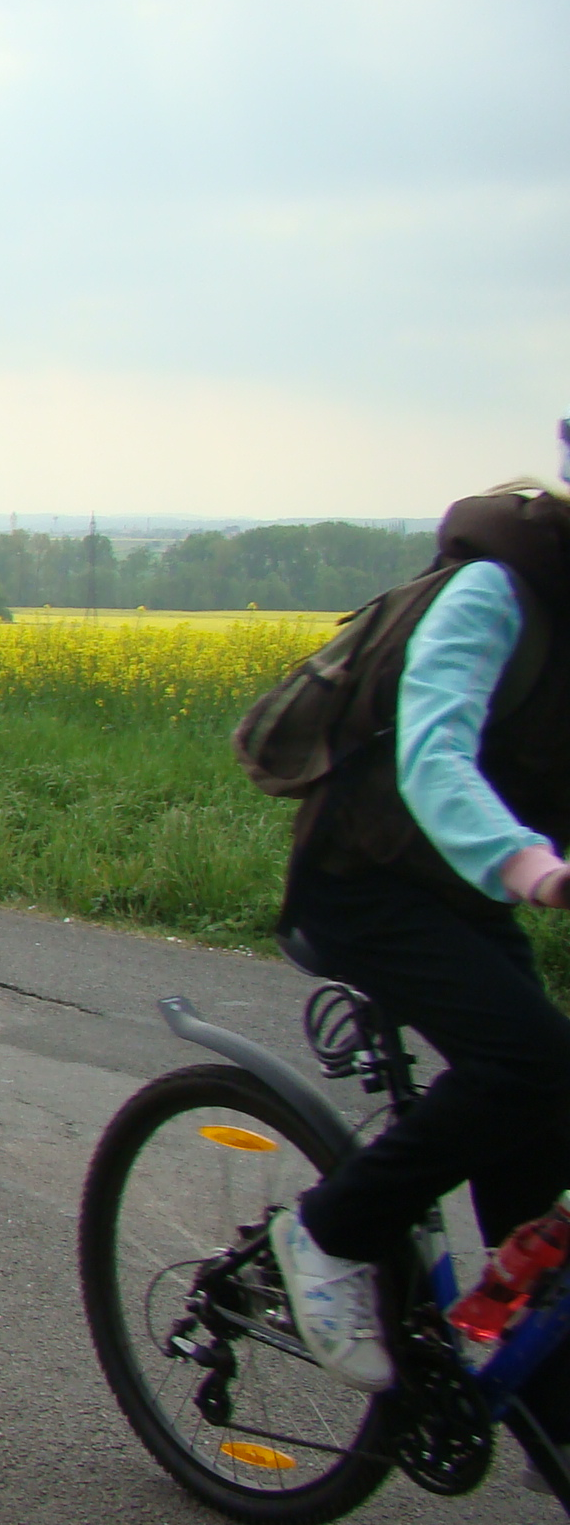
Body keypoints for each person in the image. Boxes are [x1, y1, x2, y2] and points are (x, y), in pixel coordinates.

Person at [269, 429, 570, 1431]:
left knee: (541, 1112)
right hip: (368, 882)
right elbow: (434, 756)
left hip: (466, 894)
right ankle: (327, 1232)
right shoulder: (498, 593)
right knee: (528, 1064)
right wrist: (530, 864)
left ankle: (530, 1374)